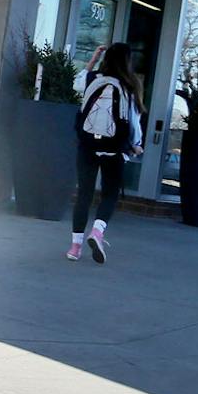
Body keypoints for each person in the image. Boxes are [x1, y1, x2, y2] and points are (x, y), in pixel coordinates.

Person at [68, 42, 145, 264]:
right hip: (114, 148)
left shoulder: (93, 80)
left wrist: (92, 60)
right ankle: (98, 232)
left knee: (84, 194)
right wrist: (135, 145)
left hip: (88, 145)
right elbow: (133, 120)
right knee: (109, 194)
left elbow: (76, 84)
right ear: (127, 61)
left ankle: (75, 248)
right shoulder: (130, 85)